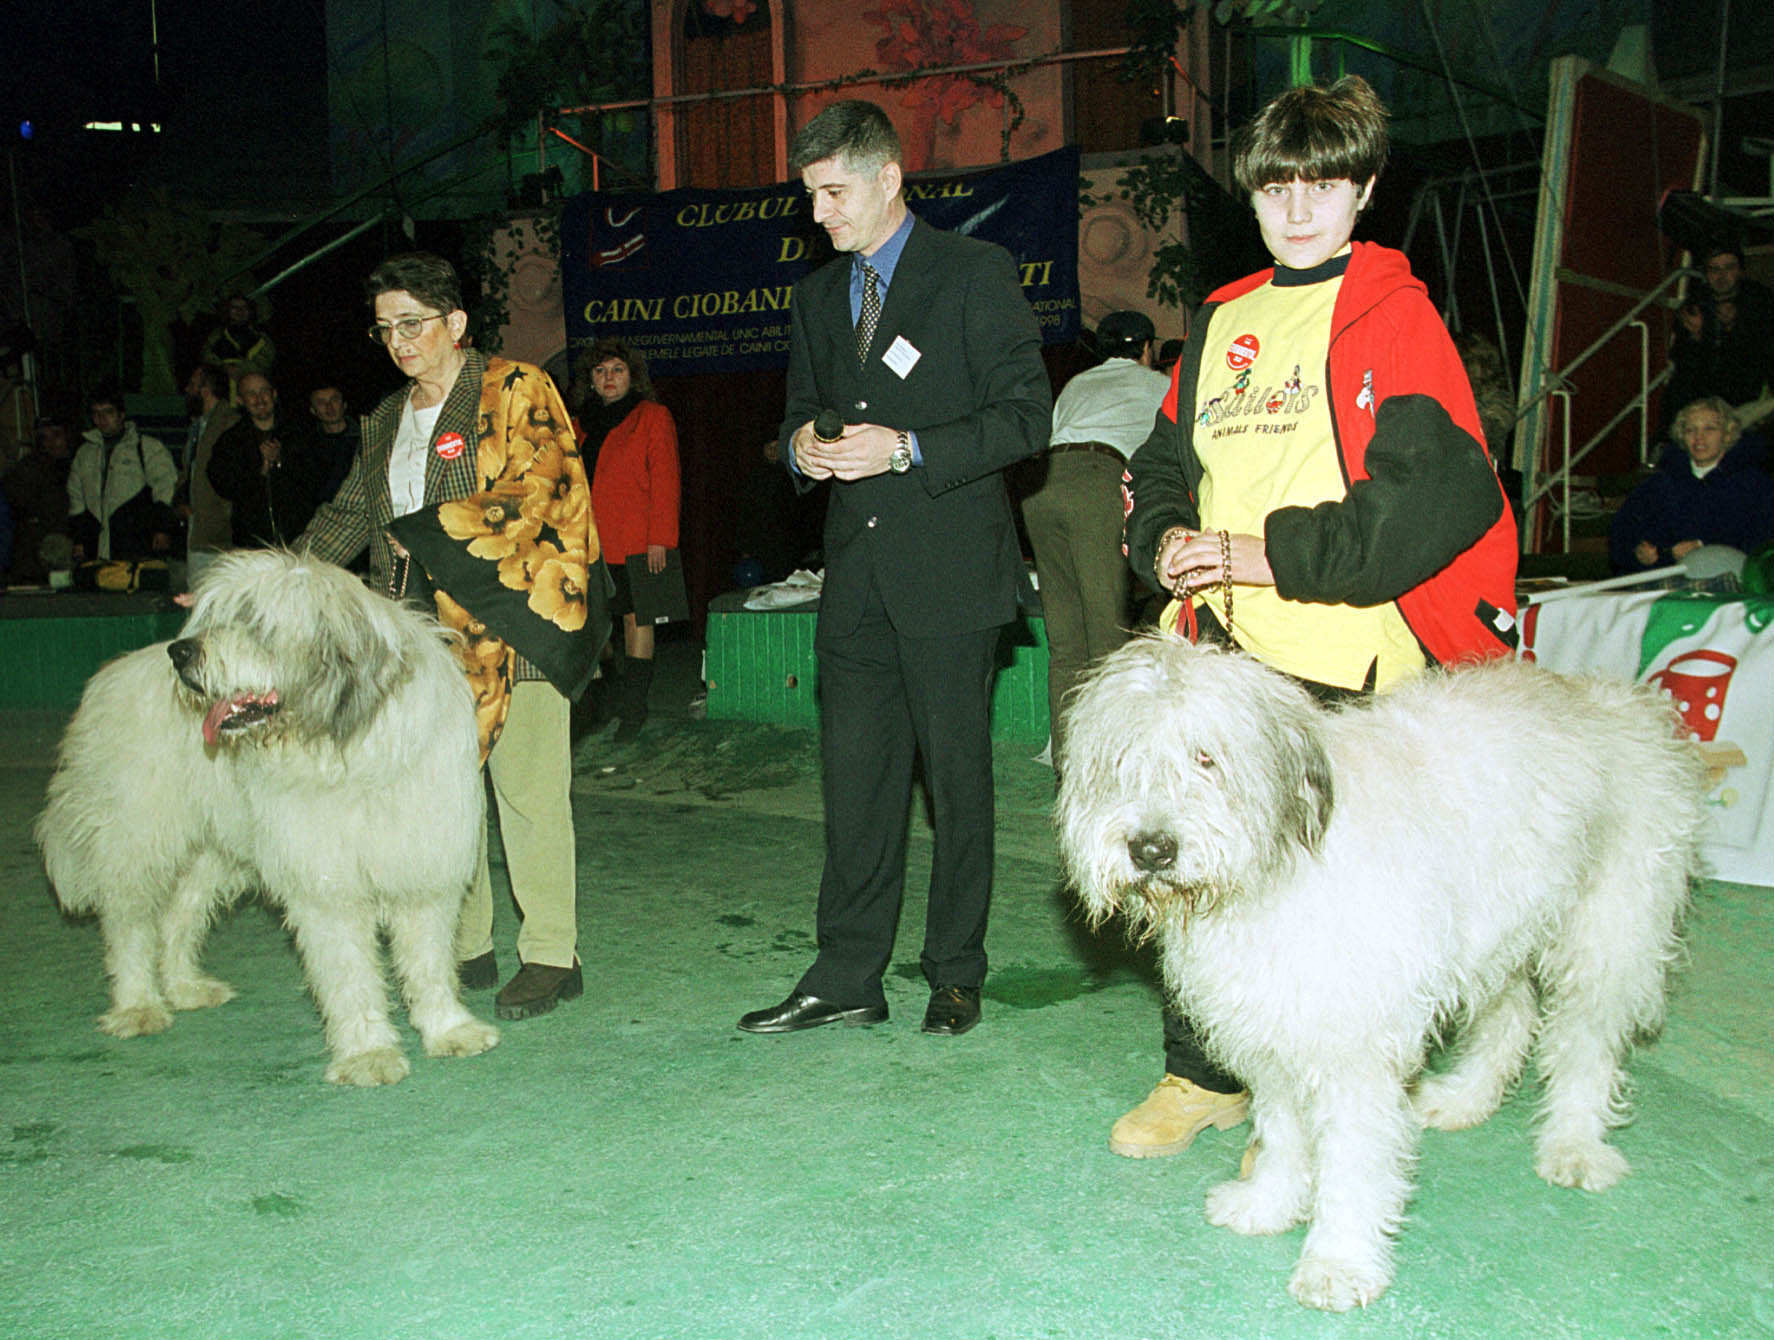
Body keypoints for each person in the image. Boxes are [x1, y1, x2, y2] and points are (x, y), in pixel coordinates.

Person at [1113, 75, 1518, 1161]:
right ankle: (1202, 1075)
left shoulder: (1395, 310)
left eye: (1324, 185)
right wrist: (1162, 537)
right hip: (1220, 657)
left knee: (1325, 913)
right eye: (1278, 187)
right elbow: (1161, 461)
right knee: (1188, 869)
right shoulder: (1225, 317)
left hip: (1345, 656)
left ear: (1364, 190)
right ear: (1251, 195)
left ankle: (1307, 1099)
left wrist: (1261, 552)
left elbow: (1439, 497)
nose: (1298, 209)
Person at [736, 98, 1051, 1039]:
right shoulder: (814, 298)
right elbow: (798, 417)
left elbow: (1027, 418)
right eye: (810, 195)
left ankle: (954, 971)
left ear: (887, 179)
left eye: (833, 193)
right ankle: (846, 975)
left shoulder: (973, 273)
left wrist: (907, 447)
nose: (819, 213)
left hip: (952, 575)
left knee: (957, 785)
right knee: (857, 786)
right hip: (855, 581)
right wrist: (803, 448)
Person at [298, 252, 600, 1023]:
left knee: (528, 795)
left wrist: (425, 533)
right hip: (421, 643)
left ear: (455, 324)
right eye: (386, 328)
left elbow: (538, 489)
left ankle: (551, 955)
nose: (399, 341)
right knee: (441, 792)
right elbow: (350, 517)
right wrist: (270, 580)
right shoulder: (385, 421)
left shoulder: (516, 389)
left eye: (413, 324)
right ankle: (469, 941)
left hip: (515, 621)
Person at [1021, 310, 1171, 769]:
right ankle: (1109, 766)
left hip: (1043, 487)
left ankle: (1068, 761)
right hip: (1097, 482)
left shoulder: (1077, 384)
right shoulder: (1160, 385)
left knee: (1066, 639)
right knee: (1108, 635)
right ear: (1145, 350)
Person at [576, 338, 680, 742]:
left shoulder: (653, 416)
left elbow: (667, 480)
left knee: (639, 620)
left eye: (617, 370)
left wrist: (662, 540)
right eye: (600, 372)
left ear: (632, 375)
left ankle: (634, 710)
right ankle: (607, 702)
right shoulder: (580, 424)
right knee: (596, 628)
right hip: (590, 543)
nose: (608, 378)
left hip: (641, 539)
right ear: (591, 380)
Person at [1609, 395, 1774, 572]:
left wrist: (1703, 546)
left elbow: (1762, 546)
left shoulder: (1755, 485)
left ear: (1727, 435)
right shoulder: (1659, 485)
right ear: (1681, 436)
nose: (1699, 438)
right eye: (1690, 430)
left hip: (1731, 581)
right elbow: (1622, 537)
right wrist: (1640, 553)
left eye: (1709, 429)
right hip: (1665, 581)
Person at [207, 370, 330, 549]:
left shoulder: (300, 433)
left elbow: (317, 478)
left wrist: (282, 461)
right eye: (251, 394)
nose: (260, 399)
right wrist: (261, 470)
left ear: (274, 394)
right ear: (241, 400)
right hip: (251, 544)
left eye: (264, 391)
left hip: (299, 542)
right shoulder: (231, 441)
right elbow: (224, 484)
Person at [1663, 241, 1773, 435]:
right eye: (1714, 269)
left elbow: (1761, 354)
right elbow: (1680, 357)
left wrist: (1732, 329)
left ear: (1740, 271)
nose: (1722, 276)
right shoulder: (1696, 304)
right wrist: (1697, 336)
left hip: (1745, 390)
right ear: (1706, 274)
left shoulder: (1759, 300)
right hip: (1703, 391)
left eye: (1729, 268)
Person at [66, 385, 179, 562]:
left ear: (122, 414)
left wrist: (163, 529)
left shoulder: (148, 447)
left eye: (108, 412)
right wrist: (79, 540)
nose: (102, 419)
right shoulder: (84, 453)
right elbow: (76, 499)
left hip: (137, 546)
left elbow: (166, 489)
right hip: (96, 547)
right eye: (96, 413)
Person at [175, 363, 240, 585]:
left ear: (205, 389)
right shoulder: (198, 426)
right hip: (199, 526)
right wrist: (181, 500)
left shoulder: (230, 423)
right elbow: (189, 473)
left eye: (192, 385)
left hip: (220, 532)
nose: (187, 390)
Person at [5, 414, 76, 584]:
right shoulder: (28, 468)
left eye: (56, 435)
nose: (50, 442)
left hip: (72, 551)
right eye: (44, 437)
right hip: (35, 555)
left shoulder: (83, 463)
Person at [200, 293, 275, 399]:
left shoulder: (261, 337)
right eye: (235, 308)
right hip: (223, 393)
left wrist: (241, 369)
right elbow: (206, 357)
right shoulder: (217, 335)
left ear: (250, 311)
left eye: (244, 307)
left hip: (255, 392)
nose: (240, 311)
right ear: (227, 310)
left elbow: (266, 360)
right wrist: (224, 368)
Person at [307, 382, 360, 501]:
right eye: (321, 403)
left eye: (334, 400)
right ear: (313, 410)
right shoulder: (308, 448)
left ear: (344, 404)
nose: (329, 406)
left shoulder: (364, 439)